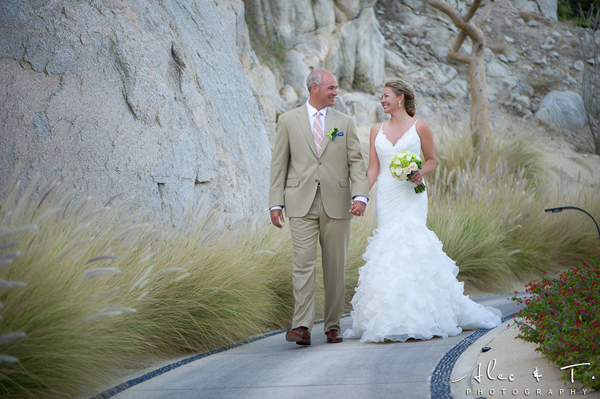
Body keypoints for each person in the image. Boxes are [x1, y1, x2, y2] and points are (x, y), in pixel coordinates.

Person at [343, 79, 501, 343]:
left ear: (401, 98)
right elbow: (373, 168)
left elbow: (431, 161)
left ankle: (423, 316)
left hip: (411, 195)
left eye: (386, 96)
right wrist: (361, 197)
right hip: (387, 195)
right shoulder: (375, 130)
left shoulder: (420, 127)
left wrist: (419, 173)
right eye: (381, 97)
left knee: (412, 243)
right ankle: (389, 318)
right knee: (388, 247)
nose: (381, 101)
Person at [269, 68, 369, 346]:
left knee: (335, 267)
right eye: (332, 88)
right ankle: (301, 325)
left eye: (336, 88)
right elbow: (279, 164)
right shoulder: (287, 121)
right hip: (299, 203)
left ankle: (332, 325)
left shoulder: (344, 122)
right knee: (303, 264)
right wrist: (275, 202)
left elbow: (356, 164)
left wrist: (360, 196)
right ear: (314, 88)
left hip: (337, 203)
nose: (336, 92)